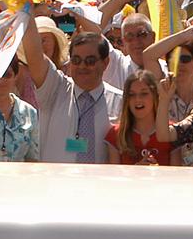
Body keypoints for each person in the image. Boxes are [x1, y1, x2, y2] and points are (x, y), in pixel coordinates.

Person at [23, 22, 122, 165]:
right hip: (56, 184)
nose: (82, 66)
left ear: (105, 62)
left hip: (99, 185)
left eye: (90, 61)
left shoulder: (121, 103)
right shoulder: (55, 88)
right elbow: (35, 57)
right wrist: (26, 11)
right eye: (76, 60)